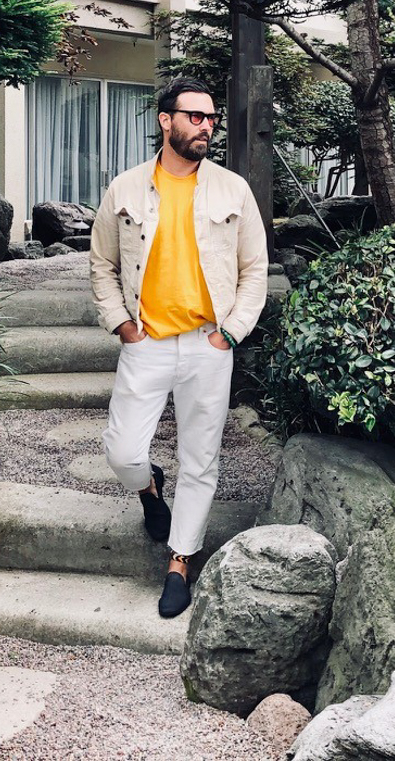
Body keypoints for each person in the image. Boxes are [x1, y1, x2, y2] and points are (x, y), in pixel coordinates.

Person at [89, 76, 269, 617]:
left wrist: (230, 333)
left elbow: (254, 269)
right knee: (123, 452)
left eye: (211, 118)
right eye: (195, 116)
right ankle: (148, 489)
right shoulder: (125, 188)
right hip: (146, 341)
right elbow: (102, 263)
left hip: (207, 344)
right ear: (165, 120)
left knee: (200, 459)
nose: (206, 126)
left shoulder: (233, 190)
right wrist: (121, 324)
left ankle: (180, 561)